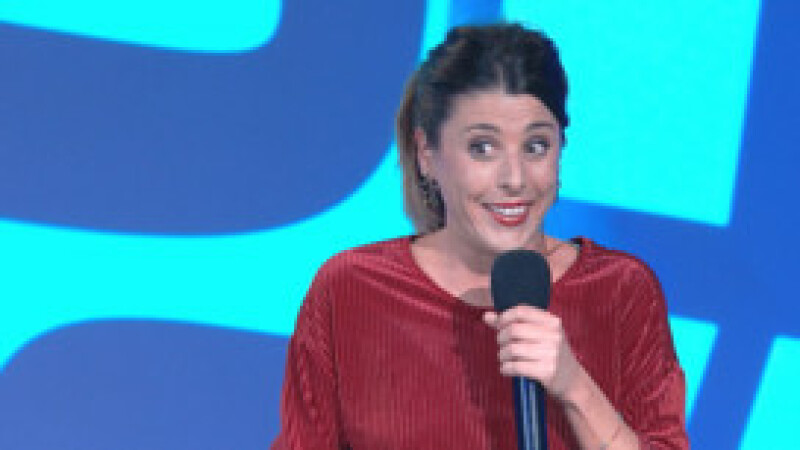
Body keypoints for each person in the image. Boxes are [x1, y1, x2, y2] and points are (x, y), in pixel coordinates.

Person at [272, 24, 689, 449]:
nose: (514, 179)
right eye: (483, 148)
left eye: (536, 146)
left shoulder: (620, 291)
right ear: (426, 154)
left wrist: (575, 386)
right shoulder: (350, 290)